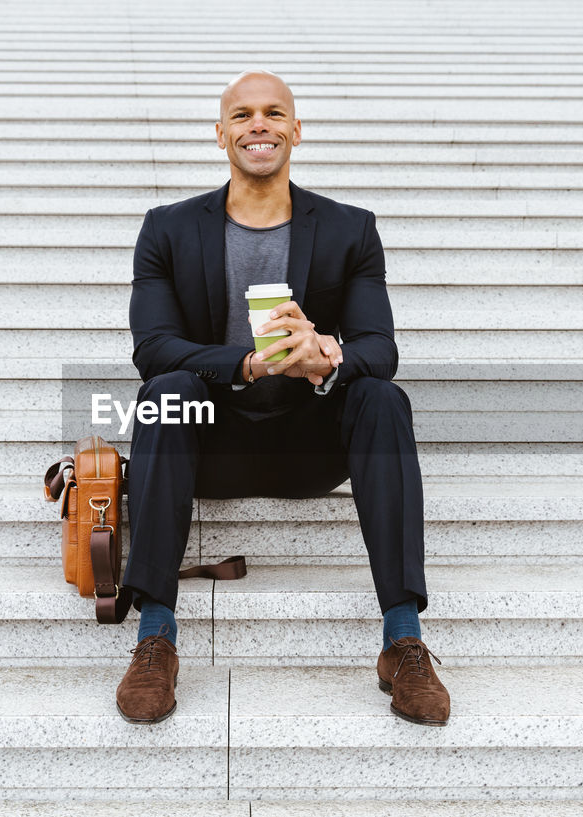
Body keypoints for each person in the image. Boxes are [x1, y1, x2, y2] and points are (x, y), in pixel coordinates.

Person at [115, 69, 450, 727]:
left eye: (273, 113)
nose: (258, 124)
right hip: (210, 440)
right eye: (242, 115)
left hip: (310, 442)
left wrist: (328, 354)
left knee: (382, 395)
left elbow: (379, 348)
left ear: (296, 130)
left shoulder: (352, 230)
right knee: (165, 389)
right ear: (220, 135)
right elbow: (152, 347)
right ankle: (155, 635)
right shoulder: (167, 229)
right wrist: (242, 362)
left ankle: (403, 639)